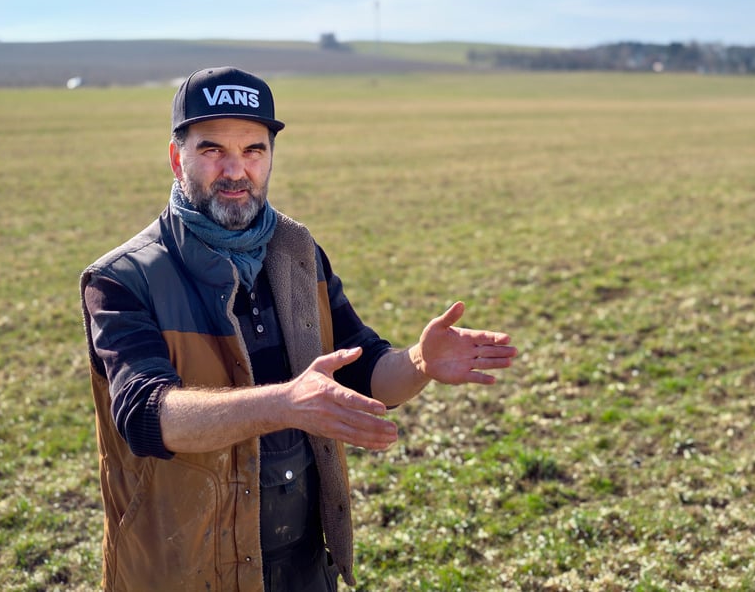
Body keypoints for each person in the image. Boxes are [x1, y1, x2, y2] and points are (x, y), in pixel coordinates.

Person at [80, 66, 517, 591]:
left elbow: (363, 368)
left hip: (303, 564)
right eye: (213, 150)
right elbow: (146, 417)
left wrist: (419, 364)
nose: (236, 171)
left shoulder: (296, 252)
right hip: (187, 569)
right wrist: (284, 404)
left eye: (254, 150)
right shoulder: (123, 279)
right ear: (178, 159)